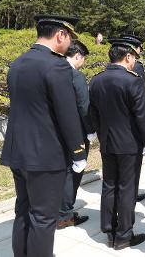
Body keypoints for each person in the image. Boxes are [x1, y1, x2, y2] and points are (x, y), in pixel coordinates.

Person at [0, 14, 87, 257]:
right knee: (43, 218)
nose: (70, 43)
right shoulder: (56, 65)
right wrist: (78, 151)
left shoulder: (18, 63)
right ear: (61, 34)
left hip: (18, 151)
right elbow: (67, 114)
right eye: (69, 37)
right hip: (46, 156)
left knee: (23, 212)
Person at [89, 36, 145, 250]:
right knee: (127, 188)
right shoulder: (132, 80)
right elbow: (141, 116)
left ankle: (109, 230)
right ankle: (124, 234)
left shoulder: (97, 79)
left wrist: (98, 134)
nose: (135, 61)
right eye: (134, 57)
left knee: (109, 186)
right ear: (128, 57)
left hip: (107, 142)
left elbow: (93, 115)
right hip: (129, 145)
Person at [57, 40, 93, 230]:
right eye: (83, 59)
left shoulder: (54, 71)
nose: (83, 63)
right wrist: (91, 130)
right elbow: (84, 107)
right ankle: (65, 215)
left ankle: (59, 211)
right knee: (73, 173)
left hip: (56, 133)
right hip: (75, 132)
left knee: (62, 173)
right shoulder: (75, 75)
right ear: (78, 55)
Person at [119, 33, 145, 202]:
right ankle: (132, 192)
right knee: (129, 172)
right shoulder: (135, 68)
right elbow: (140, 96)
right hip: (129, 130)